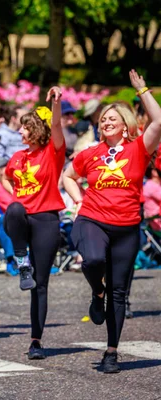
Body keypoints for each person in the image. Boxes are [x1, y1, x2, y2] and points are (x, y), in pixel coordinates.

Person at [62, 70, 161, 373]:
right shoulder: (89, 153)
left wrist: (142, 90)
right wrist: (78, 200)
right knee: (92, 260)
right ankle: (96, 292)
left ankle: (111, 352)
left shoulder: (138, 149)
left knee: (120, 291)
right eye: (103, 119)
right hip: (92, 218)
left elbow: (158, 122)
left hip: (127, 226)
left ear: (125, 125)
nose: (106, 123)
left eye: (112, 119)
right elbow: (67, 176)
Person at [2, 86, 65, 360]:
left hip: (46, 220)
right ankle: (20, 258)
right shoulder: (17, 158)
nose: (19, 132)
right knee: (14, 208)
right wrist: (12, 194)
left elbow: (58, 126)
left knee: (40, 284)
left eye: (24, 128)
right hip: (21, 219)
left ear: (37, 130)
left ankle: (36, 340)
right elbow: (5, 178)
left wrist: (56, 104)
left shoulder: (52, 152)